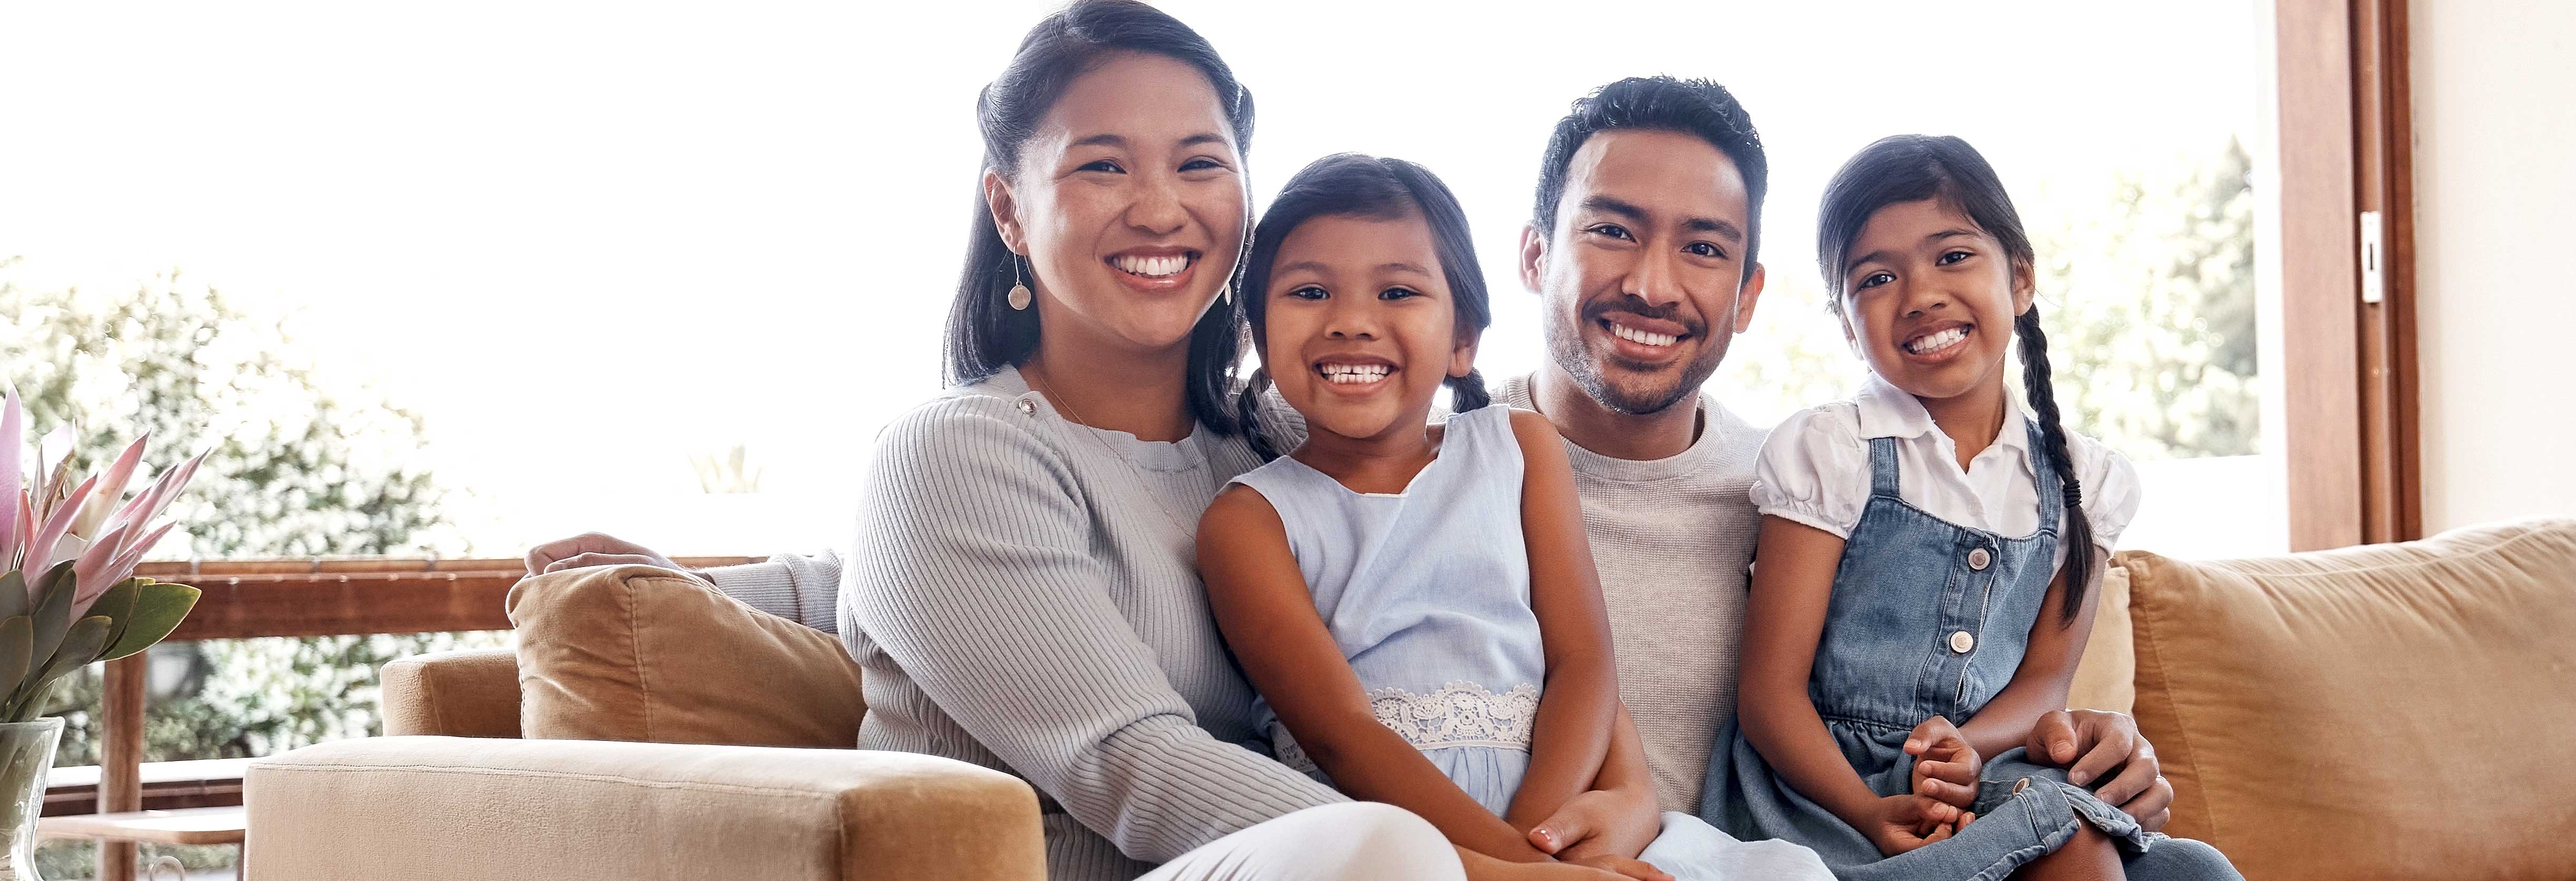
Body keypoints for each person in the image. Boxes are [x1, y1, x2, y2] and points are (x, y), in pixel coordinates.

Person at [528, 75, 2180, 875]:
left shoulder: (1802, 494)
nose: (1651, 284)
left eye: (1703, 253)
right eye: (1610, 231)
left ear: (1754, 301)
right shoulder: (1324, 465)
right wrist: (676, 585)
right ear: (1526, 263)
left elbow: (1924, 664)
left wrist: (2078, 728)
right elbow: (1000, 565)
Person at [1195, 155, 1825, 881]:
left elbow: (1584, 661)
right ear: (1257, 333)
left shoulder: (1519, 446)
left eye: (1398, 291)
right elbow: (1342, 736)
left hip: (1557, 825)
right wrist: (1513, 869)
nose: (1352, 323)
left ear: (1464, 338)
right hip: (1398, 841)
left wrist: (1541, 839)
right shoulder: (1249, 522)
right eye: (1310, 292)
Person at [1705, 135, 2240, 881]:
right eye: (1878, 277)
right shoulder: (1831, 452)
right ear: (1845, 323)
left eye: (1953, 257)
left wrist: (1973, 748)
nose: (1921, 294)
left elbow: (2043, 687)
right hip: (1824, 797)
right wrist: (1867, 811)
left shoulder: (2083, 484)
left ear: (2019, 279)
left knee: (2194, 871)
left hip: (1985, 774)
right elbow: (1768, 696)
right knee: (2069, 838)